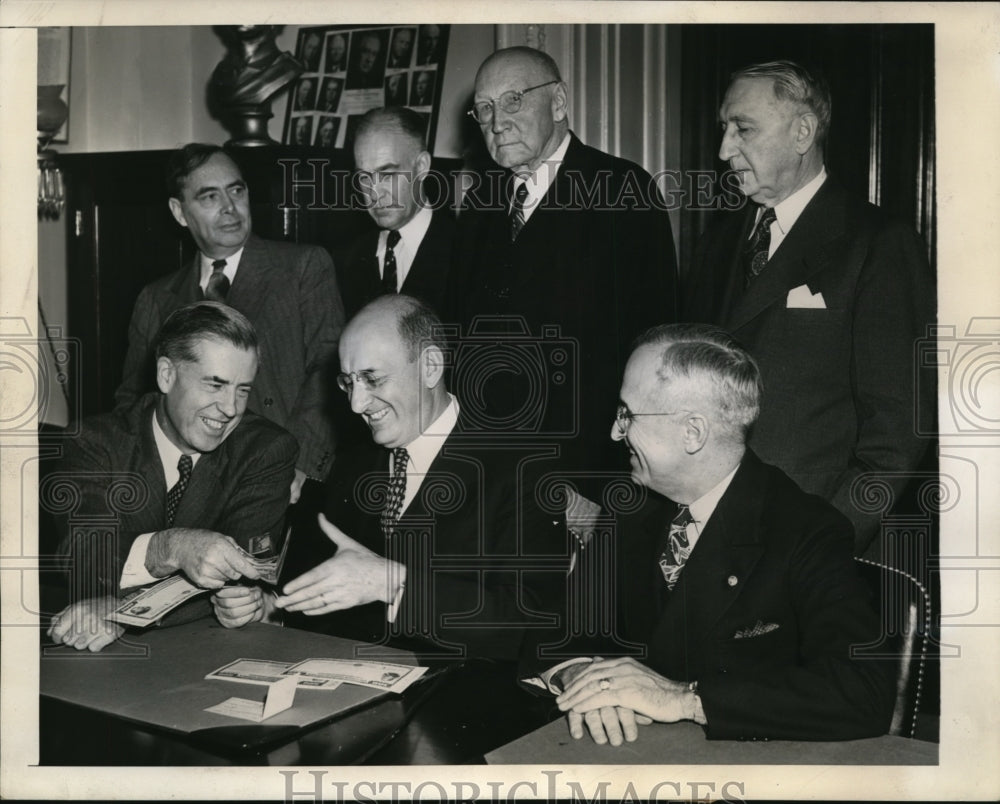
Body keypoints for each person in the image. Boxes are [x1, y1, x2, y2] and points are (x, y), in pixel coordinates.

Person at [535, 323, 894, 744]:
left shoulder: (805, 530)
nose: (616, 432)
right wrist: (585, 677)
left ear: (693, 432)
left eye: (627, 414)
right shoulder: (631, 503)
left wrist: (685, 699)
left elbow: (863, 691)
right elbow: (558, 625)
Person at [682, 60, 935, 556]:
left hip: (805, 546)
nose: (723, 150)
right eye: (724, 129)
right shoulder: (717, 241)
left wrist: (827, 543)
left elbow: (897, 433)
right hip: (708, 534)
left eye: (743, 129)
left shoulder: (877, 243)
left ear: (802, 132)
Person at [452, 46, 678, 531]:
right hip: (492, 477)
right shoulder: (480, 205)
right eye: (484, 108)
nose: (497, 123)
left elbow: (652, 355)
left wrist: (596, 486)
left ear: (558, 102)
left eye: (513, 100)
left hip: (583, 485)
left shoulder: (622, 192)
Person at [270, 295, 568, 661]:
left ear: (430, 367)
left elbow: (530, 626)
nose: (356, 404)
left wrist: (395, 585)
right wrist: (272, 609)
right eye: (348, 382)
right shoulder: (354, 462)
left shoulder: (521, 469)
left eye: (372, 379)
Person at [47, 302, 298, 652]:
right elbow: (84, 559)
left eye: (243, 389)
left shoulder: (265, 450)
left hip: (206, 651)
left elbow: (235, 584)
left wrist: (123, 610)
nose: (230, 408)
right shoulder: (93, 443)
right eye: (215, 385)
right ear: (166, 375)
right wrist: (171, 547)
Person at [115, 143, 344, 503]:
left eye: (236, 191)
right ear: (179, 211)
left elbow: (328, 368)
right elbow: (133, 401)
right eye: (210, 197)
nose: (230, 207)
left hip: (284, 477)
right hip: (187, 490)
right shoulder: (156, 298)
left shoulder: (303, 268)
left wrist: (298, 463)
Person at [340, 107, 455, 318]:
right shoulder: (346, 258)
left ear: (421, 167)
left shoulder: (466, 250)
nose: (374, 194)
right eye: (364, 178)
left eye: (387, 175)